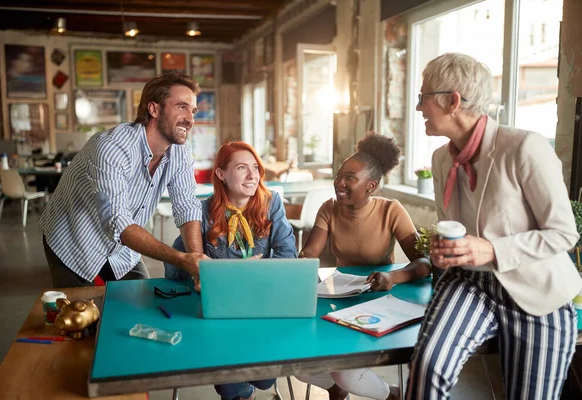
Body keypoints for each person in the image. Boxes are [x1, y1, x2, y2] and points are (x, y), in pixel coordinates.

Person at [405, 53, 582, 399]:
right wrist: (444, 252)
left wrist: (492, 249)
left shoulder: (524, 147)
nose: (418, 108)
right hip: (471, 282)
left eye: (423, 97)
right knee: (427, 369)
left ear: (452, 100)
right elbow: (453, 228)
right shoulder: (441, 159)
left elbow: (563, 233)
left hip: (536, 291)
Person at [40, 72, 208, 288]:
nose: (190, 119)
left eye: (193, 110)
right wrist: (181, 259)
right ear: (154, 109)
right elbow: (118, 222)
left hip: (123, 249)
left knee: (142, 304)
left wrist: (198, 265)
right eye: (181, 107)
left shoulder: (181, 152)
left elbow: (186, 206)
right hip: (74, 240)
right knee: (82, 315)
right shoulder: (111, 147)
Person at [296, 133, 432, 400]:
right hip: (338, 299)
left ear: (371, 186)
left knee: (345, 371)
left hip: (383, 301)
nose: (340, 183)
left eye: (350, 177)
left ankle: (391, 396)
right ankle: (338, 389)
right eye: (339, 175)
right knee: (299, 365)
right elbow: (309, 255)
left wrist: (393, 277)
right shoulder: (329, 208)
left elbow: (424, 262)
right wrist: (296, 264)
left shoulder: (391, 210)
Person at [165, 141, 297, 400]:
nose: (252, 176)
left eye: (255, 168)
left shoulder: (272, 203)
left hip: (261, 308)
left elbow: (288, 255)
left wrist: (244, 273)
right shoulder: (201, 212)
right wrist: (197, 273)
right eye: (241, 168)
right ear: (221, 174)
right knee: (231, 384)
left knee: (264, 377)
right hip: (218, 312)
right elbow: (174, 268)